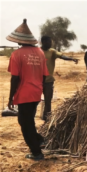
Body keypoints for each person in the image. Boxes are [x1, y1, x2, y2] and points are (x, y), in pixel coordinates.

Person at [6, 19, 49, 161]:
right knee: (26, 120)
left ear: (19, 40)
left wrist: (11, 97)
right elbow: (44, 75)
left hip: (24, 94)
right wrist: (39, 89)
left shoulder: (16, 55)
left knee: (26, 125)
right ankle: (40, 140)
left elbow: (15, 78)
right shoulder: (40, 53)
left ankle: (37, 153)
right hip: (36, 93)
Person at [41, 36, 79, 122]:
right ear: (44, 42)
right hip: (37, 81)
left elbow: (62, 56)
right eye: (49, 42)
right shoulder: (37, 52)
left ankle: (47, 118)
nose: (51, 44)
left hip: (48, 81)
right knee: (34, 101)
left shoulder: (52, 51)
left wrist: (71, 59)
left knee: (48, 101)